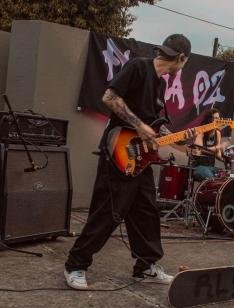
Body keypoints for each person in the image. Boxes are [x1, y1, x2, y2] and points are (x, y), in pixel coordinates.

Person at [64, 34, 195, 290]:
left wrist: (182, 139)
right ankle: (75, 265)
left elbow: (154, 129)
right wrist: (139, 125)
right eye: (184, 61)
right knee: (108, 213)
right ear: (181, 58)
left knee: (147, 212)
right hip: (119, 153)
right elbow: (109, 98)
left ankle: (145, 266)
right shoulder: (138, 67)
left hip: (141, 159)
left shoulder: (160, 85)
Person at [192, 108, 224, 180]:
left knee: (224, 177)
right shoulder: (201, 131)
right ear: (209, 120)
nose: (218, 120)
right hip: (198, 167)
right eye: (215, 118)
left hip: (211, 167)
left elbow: (218, 155)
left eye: (218, 118)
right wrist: (216, 148)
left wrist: (227, 158)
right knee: (211, 179)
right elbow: (199, 150)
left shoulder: (218, 133)